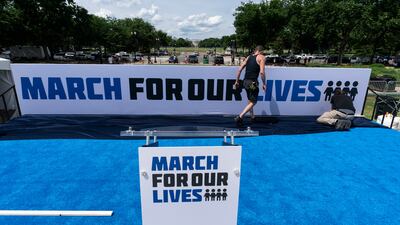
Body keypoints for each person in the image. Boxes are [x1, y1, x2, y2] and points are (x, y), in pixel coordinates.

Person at [234, 45, 266, 126]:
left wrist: (237, 81)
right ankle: (240, 117)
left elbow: (239, 70)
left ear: (255, 50)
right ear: (261, 51)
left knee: (250, 99)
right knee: (253, 101)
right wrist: (264, 83)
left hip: (245, 82)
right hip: (253, 83)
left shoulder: (248, 57)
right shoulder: (261, 57)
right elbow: (262, 72)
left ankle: (252, 116)